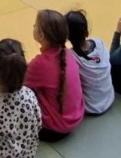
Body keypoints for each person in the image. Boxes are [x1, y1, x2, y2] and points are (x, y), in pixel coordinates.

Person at [26, 9, 85, 140]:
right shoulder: (68, 53)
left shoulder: (40, 64)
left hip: (54, 129)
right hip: (76, 118)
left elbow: (13, 82)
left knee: (19, 93)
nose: (33, 27)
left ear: (42, 36)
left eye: (35, 26)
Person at [66, 10, 114, 115]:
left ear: (67, 36)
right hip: (109, 98)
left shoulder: (70, 56)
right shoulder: (99, 42)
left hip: (90, 106)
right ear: (86, 31)